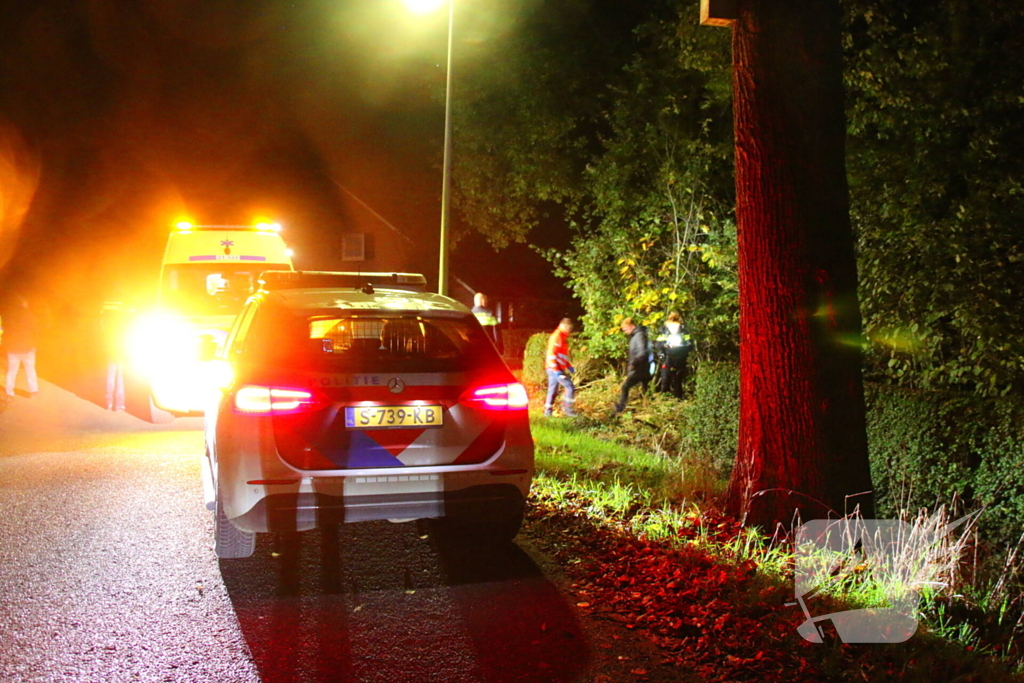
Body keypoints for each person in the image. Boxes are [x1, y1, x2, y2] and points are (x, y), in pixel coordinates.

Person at [4, 294, 39, 400]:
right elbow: (35, 331)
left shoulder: (9, 316)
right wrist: (35, 345)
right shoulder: (29, 315)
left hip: (13, 348)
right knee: (30, 369)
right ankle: (33, 391)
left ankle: (9, 393)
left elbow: (4, 330)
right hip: (27, 348)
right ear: (24, 304)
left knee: (12, 371)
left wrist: (5, 344)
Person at [614, 317, 651, 414]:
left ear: (631, 326)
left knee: (625, 387)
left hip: (639, 368)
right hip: (642, 367)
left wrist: (634, 364)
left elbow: (643, 352)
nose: (625, 332)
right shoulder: (637, 335)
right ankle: (647, 407)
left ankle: (620, 407)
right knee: (644, 388)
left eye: (625, 329)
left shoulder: (639, 336)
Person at [101, 299, 130, 411]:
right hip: (120, 345)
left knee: (110, 373)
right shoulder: (122, 308)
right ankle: (119, 404)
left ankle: (108, 403)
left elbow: (102, 327)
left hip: (109, 344)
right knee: (120, 374)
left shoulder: (104, 309)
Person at [655, 311, 693, 399]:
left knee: (678, 379)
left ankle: (678, 397)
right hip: (667, 356)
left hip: (680, 356)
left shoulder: (684, 332)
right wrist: (663, 348)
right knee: (665, 377)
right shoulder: (664, 332)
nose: (674, 330)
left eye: (676, 327)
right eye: (672, 327)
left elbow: (690, 345)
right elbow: (658, 344)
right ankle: (663, 397)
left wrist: (682, 346)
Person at [544, 318, 576, 417]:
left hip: (554, 368)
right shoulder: (558, 337)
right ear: (565, 326)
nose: (570, 331)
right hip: (555, 368)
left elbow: (561, 356)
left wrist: (568, 366)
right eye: (569, 328)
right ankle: (567, 410)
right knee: (569, 386)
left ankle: (547, 412)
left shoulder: (561, 337)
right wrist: (557, 371)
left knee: (552, 390)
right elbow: (551, 355)